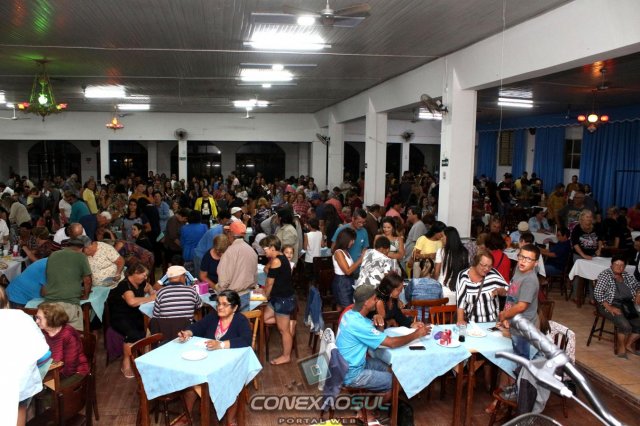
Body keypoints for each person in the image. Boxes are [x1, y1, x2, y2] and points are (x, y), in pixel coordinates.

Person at [336, 285, 429, 398]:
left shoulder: (349, 314)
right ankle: (368, 407)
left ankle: (375, 395)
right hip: (352, 375)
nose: (377, 301)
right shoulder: (360, 324)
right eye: (374, 299)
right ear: (366, 302)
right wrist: (416, 334)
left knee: (392, 369)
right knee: (400, 382)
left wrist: (379, 323)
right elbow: (391, 343)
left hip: (349, 366)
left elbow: (377, 335)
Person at [177, 290, 251, 423]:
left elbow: (246, 340)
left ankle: (231, 421)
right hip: (208, 363)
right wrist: (187, 333)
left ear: (234, 308)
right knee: (191, 382)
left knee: (233, 385)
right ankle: (186, 417)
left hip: (229, 366)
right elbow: (198, 326)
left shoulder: (240, 320)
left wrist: (221, 344)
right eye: (218, 303)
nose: (220, 307)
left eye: (225, 304)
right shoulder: (213, 317)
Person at [107, 263, 156, 378]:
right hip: (120, 316)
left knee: (149, 329)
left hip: (134, 314)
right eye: (143, 275)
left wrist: (152, 291)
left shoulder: (141, 282)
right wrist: (151, 298)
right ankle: (126, 363)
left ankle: (145, 358)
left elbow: (148, 286)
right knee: (132, 334)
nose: (145, 277)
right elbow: (132, 302)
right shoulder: (124, 285)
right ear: (135, 273)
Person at [499, 244, 541, 360]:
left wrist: (504, 315)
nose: (523, 261)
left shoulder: (530, 280)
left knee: (521, 361)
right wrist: (506, 318)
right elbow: (511, 297)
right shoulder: (518, 270)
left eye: (528, 259)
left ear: (536, 263)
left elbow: (522, 306)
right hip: (515, 324)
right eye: (521, 257)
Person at [594, 255, 640, 358]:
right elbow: (597, 293)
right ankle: (621, 348)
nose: (619, 267)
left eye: (622, 265)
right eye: (616, 264)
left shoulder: (627, 275)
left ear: (625, 267)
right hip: (608, 304)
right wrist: (609, 307)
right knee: (625, 325)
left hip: (627, 305)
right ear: (611, 265)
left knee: (638, 323)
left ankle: (628, 345)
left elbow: (638, 285)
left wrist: (638, 293)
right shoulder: (605, 275)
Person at [260, 235, 297, 365]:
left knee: (283, 331)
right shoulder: (279, 257)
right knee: (265, 318)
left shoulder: (276, 261)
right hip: (278, 297)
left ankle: (286, 356)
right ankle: (288, 322)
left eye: (265, 249)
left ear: (272, 248)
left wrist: (264, 296)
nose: (263, 251)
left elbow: (269, 283)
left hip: (283, 299)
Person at [43, 236, 93, 331]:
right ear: (81, 249)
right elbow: (87, 280)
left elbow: (50, 277)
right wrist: (86, 295)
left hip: (49, 304)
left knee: (52, 334)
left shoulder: (53, 255)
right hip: (69, 303)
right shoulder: (81, 256)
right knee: (74, 335)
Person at [35, 302, 90, 384]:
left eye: (39, 318)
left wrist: (51, 378)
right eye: (36, 317)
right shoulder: (43, 331)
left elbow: (70, 367)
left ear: (51, 319)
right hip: (54, 369)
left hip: (75, 371)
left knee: (42, 390)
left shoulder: (68, 335)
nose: (36, 321)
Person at [150, 265, 202, 343]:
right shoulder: (191, 291)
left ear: (169, 279)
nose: (185, 278)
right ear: (181, 277)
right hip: (185, 332)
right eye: (184, 276)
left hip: (165, 335)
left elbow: (156, 316)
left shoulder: (161, 292)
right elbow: (199, 305)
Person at [456, 249, 509, 324]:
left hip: (492, 321)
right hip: (471, 322)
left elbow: (509, 291)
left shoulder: (493, 274)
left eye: (489, 266)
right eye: (483, 265)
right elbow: (460, 301)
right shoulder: (463, 276)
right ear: (475, 262)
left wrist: (501, 291)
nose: (487, 269)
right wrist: (460, 320)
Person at [216, 221, 257, 311]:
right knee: (244, 319)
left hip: (233, 297)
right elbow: (254, 276)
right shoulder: (251, 250)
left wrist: (220, 293)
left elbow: (223, 280)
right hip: (247, 294)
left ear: (231, 234)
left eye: (228, 232)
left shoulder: (230, 252)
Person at [570, 209, 603, 303]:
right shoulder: (577, 228)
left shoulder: (596, 227)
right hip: (579, 255)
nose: (589, 218)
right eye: (587, 217)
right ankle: (576, 297)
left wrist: (599, 249)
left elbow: (600, 239)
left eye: (590, 217)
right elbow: (575, 244)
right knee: (578, 275)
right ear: (582, 218)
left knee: (593, 276)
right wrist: (583, 255)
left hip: (593, 255)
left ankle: (592, 299)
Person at [434, 226, 469, 305]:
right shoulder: (465, 252)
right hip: (460, 292)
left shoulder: (441, 252)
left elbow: (436, 273)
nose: (441, 239)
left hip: (443, 292)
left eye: (443, 236)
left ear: (449, 238)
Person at [332, 227, 364, 309]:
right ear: (345, 240)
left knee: (347, 306)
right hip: (342, 282)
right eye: (352, 240)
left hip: (348, 281)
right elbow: (347, 271)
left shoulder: (346, 251)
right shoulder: (338, 252)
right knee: (347, 308)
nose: (353, 242)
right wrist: (360, 260)